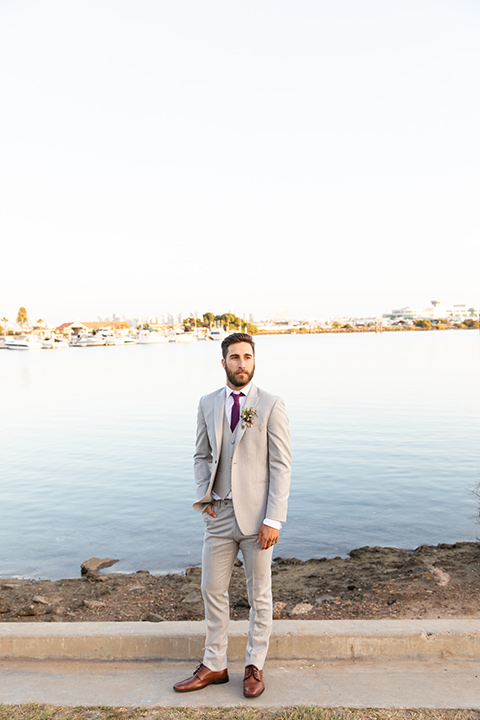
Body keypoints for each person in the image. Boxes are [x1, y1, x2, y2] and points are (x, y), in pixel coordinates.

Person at [173, 332, 292, 698]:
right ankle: (215, 665)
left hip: (258, 520)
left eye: (247, 357)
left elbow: (281, 465)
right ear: (223, 362)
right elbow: (200, 455)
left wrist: (274, 519)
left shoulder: (271, 405)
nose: (242, 363)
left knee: (260, 595)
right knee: (212, 590)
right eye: (235, 357)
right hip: (219, 516)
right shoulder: (207, 403)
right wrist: (203, 496)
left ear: (255, 361)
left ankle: (254, 666)